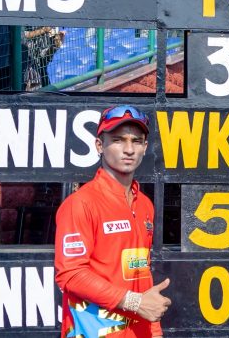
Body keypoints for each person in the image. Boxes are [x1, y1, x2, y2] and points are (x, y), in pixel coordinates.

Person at [54, 105, 171, 337]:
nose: (129, 149)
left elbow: (141, 270)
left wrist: (154, 331)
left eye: (137, 141)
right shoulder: (81, 203)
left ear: (145, 148)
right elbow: (71, 274)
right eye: (118, 140)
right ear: (100, 145)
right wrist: (134, 302)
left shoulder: (145, 204)